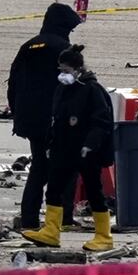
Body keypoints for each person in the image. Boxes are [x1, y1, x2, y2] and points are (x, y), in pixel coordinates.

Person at [21, 46, 115, 250]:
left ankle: (103, 236)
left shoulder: (92, 89)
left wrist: (90, 144)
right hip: (63, 148)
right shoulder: (63, 89)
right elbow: (56, 118)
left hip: (86, 150)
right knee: (54, 189)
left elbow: (101, 121)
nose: (62, 74)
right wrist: (50, 142)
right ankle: (51, 231)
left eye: (66, 70)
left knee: (94, 191)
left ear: (78, 69)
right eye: (60, 70)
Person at [8, 3, 83, 231]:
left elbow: (13, 83)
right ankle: (64, 218)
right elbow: (74, 87)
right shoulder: (63, 49)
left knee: (39, 168)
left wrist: (18, 114)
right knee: (66, 168)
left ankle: (29, 218)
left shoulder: (28, 46)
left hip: (30, 120)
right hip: (55, 120)